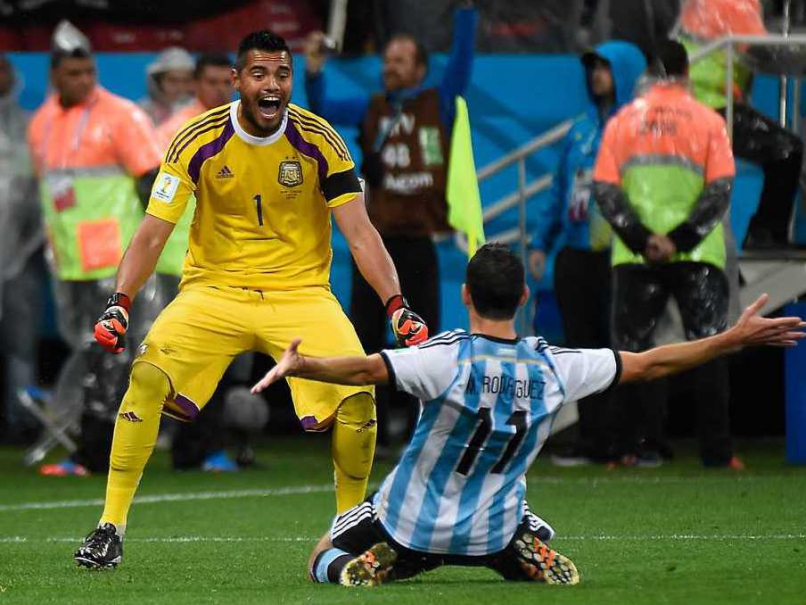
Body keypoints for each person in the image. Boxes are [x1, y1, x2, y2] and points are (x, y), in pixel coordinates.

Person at [73, 30, 429, 569]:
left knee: (359, 394)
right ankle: (109, 527)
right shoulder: (195, 140)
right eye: (259, 74)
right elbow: (151, 233)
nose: (272, 85)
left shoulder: (321, 140)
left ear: (291, 81)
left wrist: (396, 304)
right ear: (237, 82)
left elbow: (360, 233)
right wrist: (121, 300)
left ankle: (351, 532)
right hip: (214, 291)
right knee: (146, 378)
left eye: (282, 75)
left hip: (301, 294)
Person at [248, 243, 804, 587]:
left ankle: (357, 568)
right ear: (524, 298)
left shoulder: (445, 357)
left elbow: (366, 370)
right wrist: (731, 338)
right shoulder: (553, 365)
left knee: (323, 553)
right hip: (490, 530)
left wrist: (302, 364)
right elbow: (652, 363)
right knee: (512, 512)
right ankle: (520, 547)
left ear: (465, 294)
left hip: (412, 526)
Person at [304, 1, 477, 448]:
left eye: (400, 61)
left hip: (419, 244)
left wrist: (466, 13)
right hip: (375, 246)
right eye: (387, 61)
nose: (390, 68)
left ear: (421, 69)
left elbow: (462, 62)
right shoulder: (372, 107)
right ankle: (368, 425)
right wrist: (315, 72)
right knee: (365, 334)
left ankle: (420, 427)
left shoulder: (438, 102)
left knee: (422, 341)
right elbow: (321, 109)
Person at [592, 40, 742, 468]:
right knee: (711, 347)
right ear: (686, 73)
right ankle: (718, 452)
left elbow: (605, 190)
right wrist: (679, 238)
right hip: (698, 251)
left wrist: (643, 240)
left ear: (650, 73)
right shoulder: (709, 120)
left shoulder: (623, 121)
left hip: (635, 255)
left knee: (632, 354)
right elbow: (720, 190)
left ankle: (630, 448)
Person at [28, 21, 164, 476]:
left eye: (89, 72)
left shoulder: (122, 115)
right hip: (69, 263)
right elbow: (52, 193)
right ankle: (97, 450)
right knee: (93, 357)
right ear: (54, 75)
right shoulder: (42, 122)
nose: (84, 81)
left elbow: (153, 187)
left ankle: (99, 452)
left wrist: (146, 254)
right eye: (74, 74)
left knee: (113, 357)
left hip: (114, 260)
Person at [528, 41, 646, 466]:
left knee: (622, 347)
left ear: (627, 72)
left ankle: (628, 441)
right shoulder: (579, 129)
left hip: (621, 254)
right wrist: (542, 241)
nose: (597, 75)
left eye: (606, 68)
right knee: (580, 350)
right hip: (576, 254)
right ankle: (592, 439)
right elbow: (560, 189)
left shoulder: (638, 127)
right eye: (593, 68)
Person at [155, 53, 242, 472]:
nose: (220, 91)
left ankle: (203, 447)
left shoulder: (245, 130)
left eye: (226, 83)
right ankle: (192, 447)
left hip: (229, 263)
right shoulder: (176, 131)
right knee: (186, 359)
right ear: (195, 85)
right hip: (181, 264)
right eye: (211, 82)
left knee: (219, 359)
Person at [677, 0, 804, 249]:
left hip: (693, 100)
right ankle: (764, 235)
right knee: (787, 151)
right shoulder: (734, 3)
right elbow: (764, 54)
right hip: (710, 104)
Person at [0, 53, 44, 444]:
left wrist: (28, 249)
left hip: (20, 259)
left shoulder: (31, 128)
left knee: (21, 345)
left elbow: (40, 195)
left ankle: (22, 421)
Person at [139, 47, 195, 126]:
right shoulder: (141, 111)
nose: (180, 87)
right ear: (158, 81)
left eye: (186, 81)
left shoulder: (201, 111)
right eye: (173, 80)